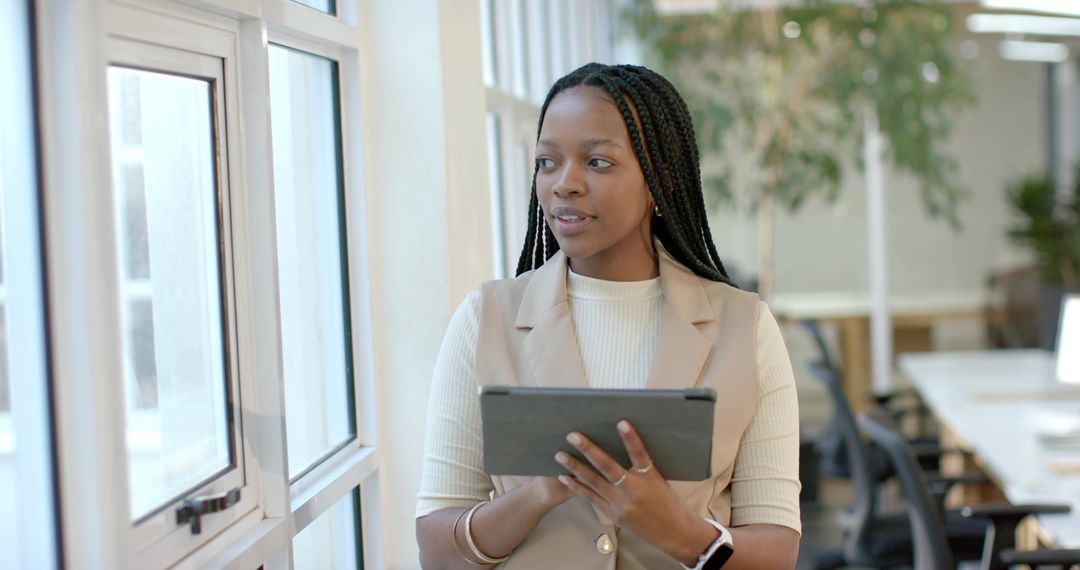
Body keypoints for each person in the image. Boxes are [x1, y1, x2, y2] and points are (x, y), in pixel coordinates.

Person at [415, 63, 801, 569]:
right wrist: (535, 496)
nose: (564, 184)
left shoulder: (745, 328)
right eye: (547, 162)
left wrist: (677, 529)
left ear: (659, 178)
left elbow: (778, 553)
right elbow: (435, 552)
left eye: (597, 162)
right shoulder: (483, 320)